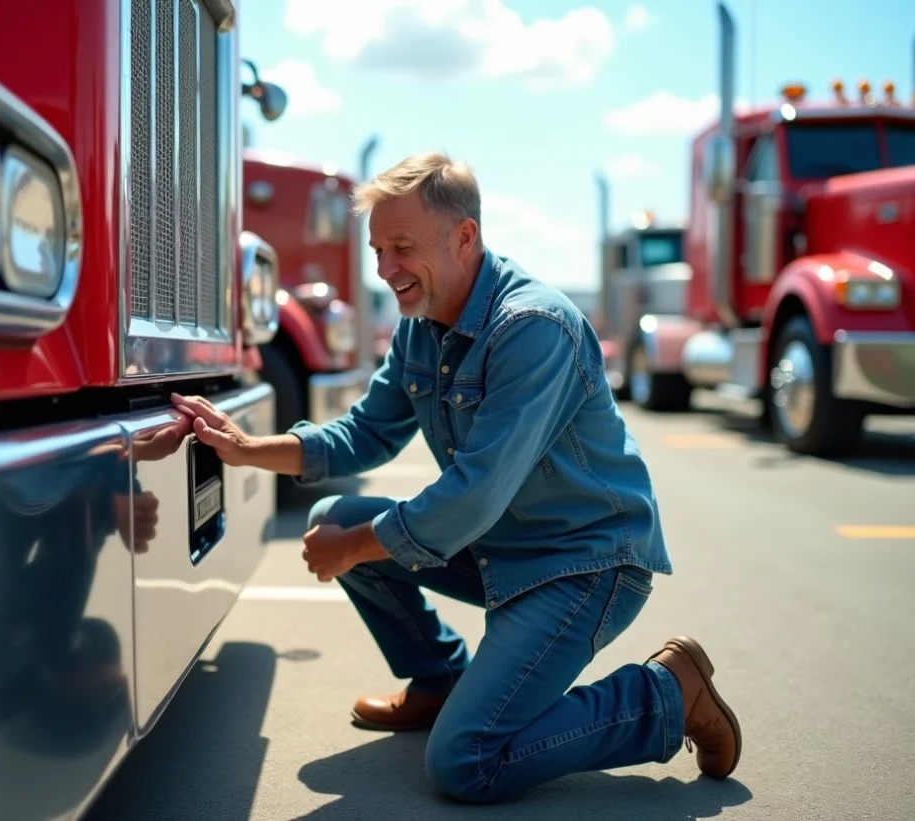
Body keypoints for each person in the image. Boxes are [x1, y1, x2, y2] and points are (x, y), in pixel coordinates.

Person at [171, 152, 741, 804]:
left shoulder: (533, 328)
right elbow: (363, 433)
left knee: (466, 762)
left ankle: (666, 694)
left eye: (402, 247)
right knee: (335, 517)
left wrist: (358, 548)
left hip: (584, 564)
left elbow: (474, 492)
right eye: (378, 249)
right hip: (503, 545)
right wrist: (244, 448)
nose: (385, 270)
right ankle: (438, 678)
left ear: (464, 236)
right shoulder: (422, 327)